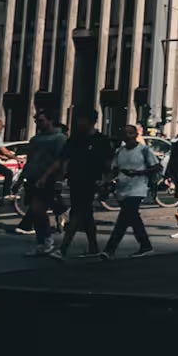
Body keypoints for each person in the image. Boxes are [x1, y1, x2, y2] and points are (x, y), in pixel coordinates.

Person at [48, 110, 112, 260]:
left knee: (76, 212)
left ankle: (63, 249)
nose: (78, 123)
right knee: (87, 214)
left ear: (91, 121)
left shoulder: (101, 140)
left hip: (91, 181)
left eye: (82, 120)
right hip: (74, 180)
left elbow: (108, 163)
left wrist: (106, 181)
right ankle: (93, 247)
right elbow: (64, 159)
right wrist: (59, 179)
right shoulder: (75, 139)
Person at [100, 123, 160, 260]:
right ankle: (145, 245)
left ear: (136, 135)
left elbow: (156, 167)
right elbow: (115, 169)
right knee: (132, 218)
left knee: (124, 218)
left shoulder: (144, 150)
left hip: (138, 188)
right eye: (125, 133)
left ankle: (110, 249)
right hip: (123, 188)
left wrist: (139, 172)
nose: (127, 136)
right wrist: (106, 182)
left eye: (130, 133)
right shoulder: (120, 151)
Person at [19, 112, 69, 254]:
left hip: (48, 179)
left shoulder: (59, 138)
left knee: (37, 209)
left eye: (41, 121)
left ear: (50, 120)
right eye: (36, 121)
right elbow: (30, 159)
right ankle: (44, 239)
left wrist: (59, 179)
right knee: (36, 211)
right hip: (33, 177)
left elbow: (62, 160)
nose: (38, 124)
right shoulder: (35, 139)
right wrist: (23, 176)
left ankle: (46, 240)